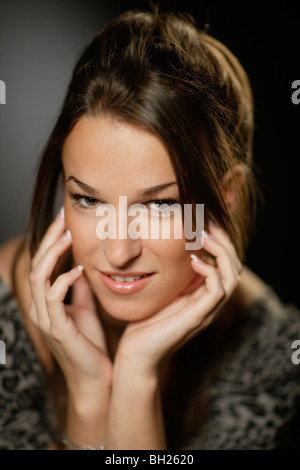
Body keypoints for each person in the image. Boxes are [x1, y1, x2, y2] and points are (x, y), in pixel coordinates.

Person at [0, 7, 300, 451]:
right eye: (88, 199)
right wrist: (88, 395)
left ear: (227, 199)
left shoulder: (274, 356)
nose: (119, 252)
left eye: (160, 204)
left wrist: (134, 379)